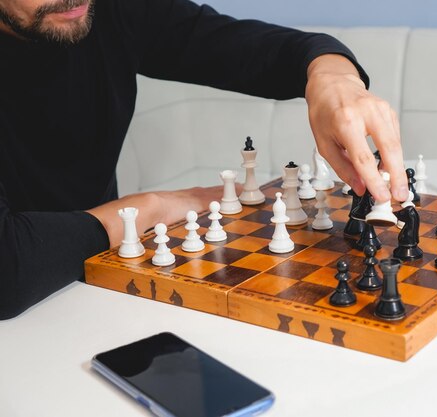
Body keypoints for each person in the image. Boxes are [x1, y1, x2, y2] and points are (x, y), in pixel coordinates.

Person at [0, 0, 406, 319]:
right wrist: (157, 206)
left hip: (96, 286)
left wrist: (331, 77)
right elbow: (8, 269)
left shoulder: (111, 9)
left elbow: (247, 47)